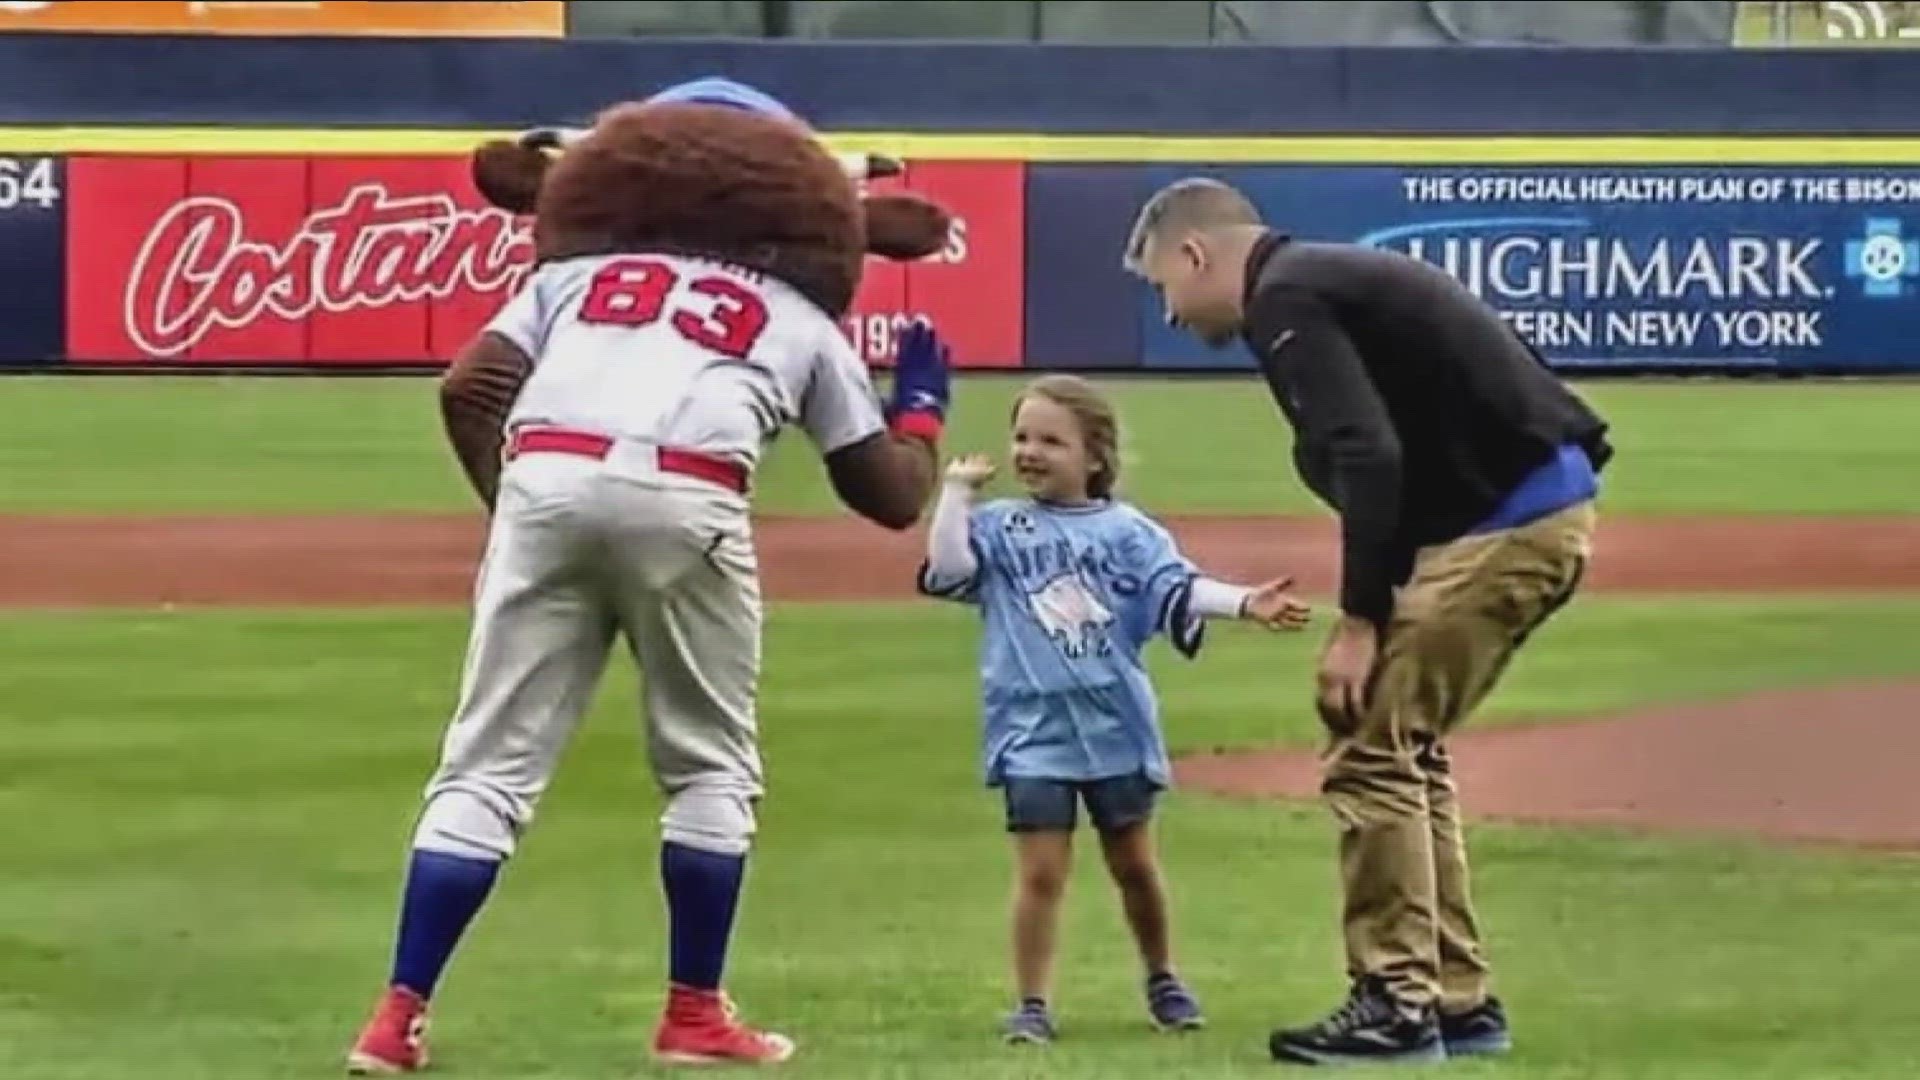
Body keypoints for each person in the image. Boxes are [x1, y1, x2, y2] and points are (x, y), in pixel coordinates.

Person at [344, 94, 951, 1074]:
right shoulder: (796, 312)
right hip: (690, 492)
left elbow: (469, 387)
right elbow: (889, 496)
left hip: (545, 473)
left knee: (486, 769)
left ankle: (395, 1017)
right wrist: (921, 410)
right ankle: (694, 1015)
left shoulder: (575, 273)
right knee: (708, 767)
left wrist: (524, 516)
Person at [1121, 177, 1612, 1067]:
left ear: (1195, 254)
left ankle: (1395, 1003)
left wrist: (1359, 620)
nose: (1169, 309)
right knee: (1403, 741)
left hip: (1509, 522)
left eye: (1163, 285)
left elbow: (1365, 452)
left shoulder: (1286, 296)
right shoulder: (1320, 279)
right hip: (1526, 510)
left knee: (1371, 745)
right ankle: (1455, 1000)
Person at [916, 373, 1313, 1045]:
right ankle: (1033, 1004)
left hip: (1115, 726)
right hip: (1029, 730)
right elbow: (949, 566)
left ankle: (1163, 978)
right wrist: (954, 495)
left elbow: (1176, 588)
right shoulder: (1001, 527)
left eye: (1051, 440)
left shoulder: (1128, 532)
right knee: (1040, 872)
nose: (1030, 452)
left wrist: (1245, 602)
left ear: (1094, 457)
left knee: (1133, 863)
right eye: (1022, 436)